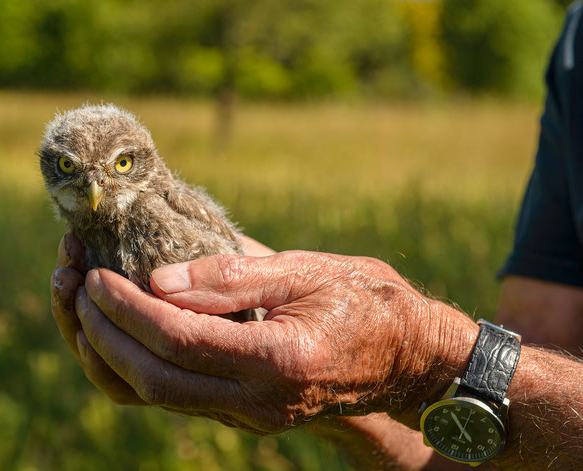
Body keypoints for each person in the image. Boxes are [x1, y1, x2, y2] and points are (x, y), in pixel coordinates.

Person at [49, 6, 583, 470]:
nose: (95, 190)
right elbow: (502, 404)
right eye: (70, 170)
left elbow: (492, 394)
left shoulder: (151, 214)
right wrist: (330, 393)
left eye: (120, 165)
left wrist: (416, 359)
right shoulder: (573, 50)